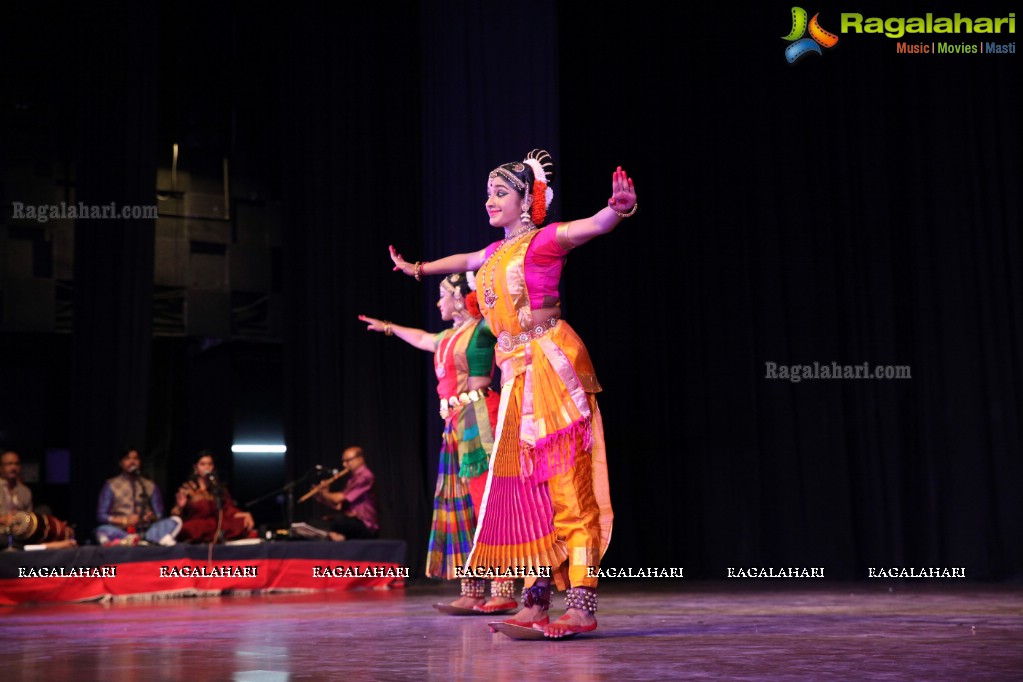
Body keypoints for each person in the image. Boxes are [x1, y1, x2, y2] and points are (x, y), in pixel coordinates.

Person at [389, 150, 636, 638]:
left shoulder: (542, 241)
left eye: (501, 192)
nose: (489, 201)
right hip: (515, 375)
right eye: (488, 193)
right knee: (526, 495)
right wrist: (418, 269)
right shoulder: (493, 254)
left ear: (527, 202)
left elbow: (590, 227)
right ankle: (535, 600)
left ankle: (582, 606)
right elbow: (461, 259)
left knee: (568, 489)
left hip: (549, 366)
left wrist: (618, 210)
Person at [359, 272, 516, 614]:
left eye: (443, 295)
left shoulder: (483, 328)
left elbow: (506, 317)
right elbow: (421, 337)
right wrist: (388, 327)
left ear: (461, 299)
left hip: (480, 419)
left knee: (486, 502)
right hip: (455, 423)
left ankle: (502, 588)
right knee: (459, 505)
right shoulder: (448, 337)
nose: (437, 302)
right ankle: (472, 588)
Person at [95, 448, 182, 546]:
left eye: (135, 458)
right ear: (120, 463)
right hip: (121, 530)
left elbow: (159, 514)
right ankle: (131, 540)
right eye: (127, 458)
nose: (132, 462)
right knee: (102, 530)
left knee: (174, 521)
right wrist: (125, 521)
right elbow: (101, 516)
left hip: (147, 530)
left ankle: (149, 539)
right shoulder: (111, 485)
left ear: (140, 462)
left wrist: (151, 517)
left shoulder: (149, 485)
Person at [171, 450, 256, 543]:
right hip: (197, 523)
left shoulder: (218, 488)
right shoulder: (188, 488)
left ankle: (217, 537)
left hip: (217, 523)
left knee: (238, 523)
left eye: (209, 464)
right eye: (202, 464)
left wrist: (244, 515)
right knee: (190, 528)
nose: (207, 467)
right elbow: (176, 515)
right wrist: (181, 506)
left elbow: (228, 509)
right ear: (196, 468)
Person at [307, 446, 379, 541]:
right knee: (315, 522)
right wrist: (321, 497)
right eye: (344, 461)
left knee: (339, 521)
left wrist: (323, 492)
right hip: (352, 520)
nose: (345, 465)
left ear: (360, 459)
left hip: (365, 524)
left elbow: (338, 498)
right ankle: (335, 536)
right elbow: (339, 506)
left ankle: (338, 536)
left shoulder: (365, 476)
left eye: (348, 460)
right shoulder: (352, 479)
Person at [1, 450, 32, 524]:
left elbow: (28, 517)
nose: (13, 467)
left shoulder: (25, 491)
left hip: (18, 532)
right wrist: (2, 519)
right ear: (1, 467)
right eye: (9, 464)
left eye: (16, 464)